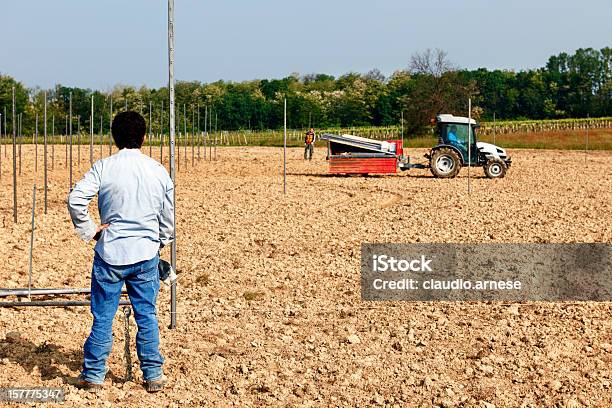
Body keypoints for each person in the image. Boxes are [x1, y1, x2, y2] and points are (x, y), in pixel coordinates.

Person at [68, 111, 174, 393]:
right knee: (147, 315)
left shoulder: (104, 167)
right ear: (143, 138)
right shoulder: (158, 170)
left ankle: (93, 376)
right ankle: (153, 375)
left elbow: (76, 198)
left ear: (114, 138)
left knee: (103, 316)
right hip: (145, 254)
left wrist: (91, 229)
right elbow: (168, 219)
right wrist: (159, 242)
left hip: (110, 254)